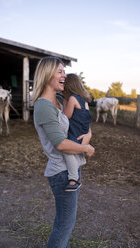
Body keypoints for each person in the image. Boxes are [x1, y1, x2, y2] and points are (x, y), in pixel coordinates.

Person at [32, 56, 95, 248]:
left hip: (72, 167)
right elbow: (60, 143)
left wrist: (89, 135)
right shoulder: (43, 105)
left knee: (66, 224)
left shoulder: (61, 99)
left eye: (64, 72)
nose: (64, 75)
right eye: (60, 71)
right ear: (47, 74)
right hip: (61, 172)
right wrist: (86, 148)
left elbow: (81, 121)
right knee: (64, 226)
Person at [63, 73, 92, 192]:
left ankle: (74, 178)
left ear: (68, 85)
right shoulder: (84, 101)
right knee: (75, 152)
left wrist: (65, 104)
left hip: (74, 131)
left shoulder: (72, 99)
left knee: (67, 152)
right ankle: (79, 161)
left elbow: (66, 116)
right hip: (83, 131)